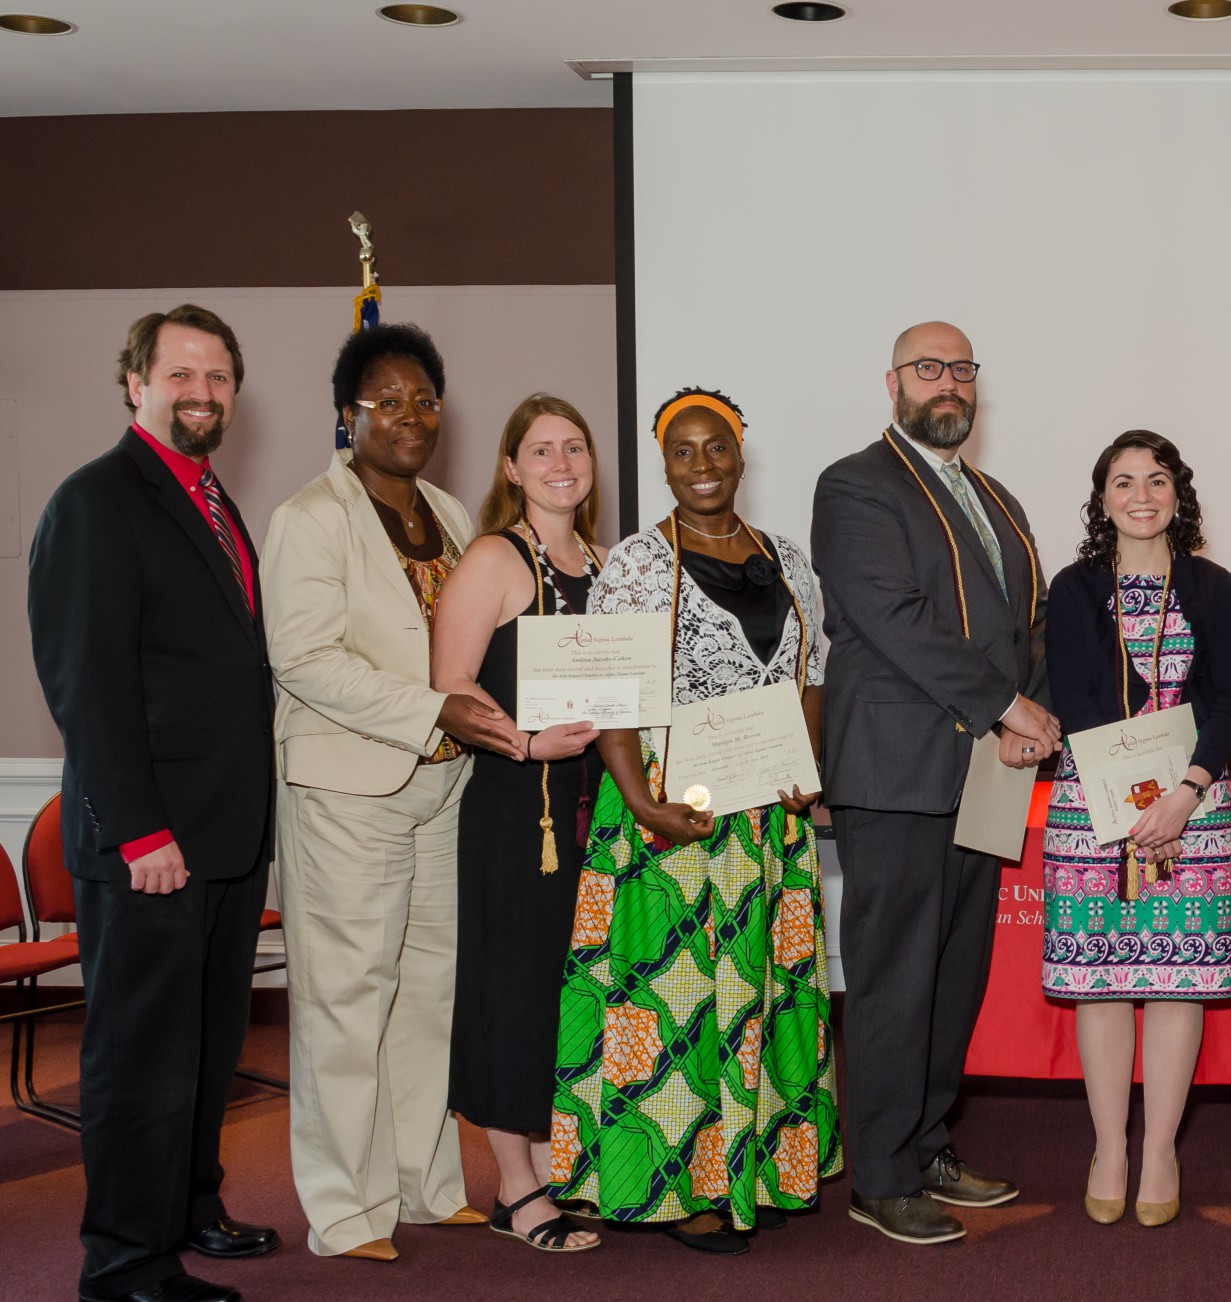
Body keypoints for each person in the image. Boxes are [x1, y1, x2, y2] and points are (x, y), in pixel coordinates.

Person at [550, 387, 841, 1254]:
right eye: (684, 452)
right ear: (663, 463)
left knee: (756, 995)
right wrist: (638, 799)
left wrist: (805, 767)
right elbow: (612, 691)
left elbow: (812, 672)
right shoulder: (638, 563)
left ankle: (758, 1171)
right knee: (672, 1007)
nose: (704, 464)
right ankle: (680, 1187)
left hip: (765, 825)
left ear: (741, 452)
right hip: (667, 814)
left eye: (718, 447)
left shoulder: (787, 557)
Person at [28, 305, 279, 1302]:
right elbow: (85, 681)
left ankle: (187, 1207)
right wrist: (140, 829)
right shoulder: (96, 501)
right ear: (135, 383)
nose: (202, 393)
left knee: (210, 1046)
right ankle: (126, 1262)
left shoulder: (211, 501)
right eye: (181, 374)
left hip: (222, 836)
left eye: (218, 377)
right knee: (141, 1058)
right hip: (153, 844)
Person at [262, 322, 518, 1261]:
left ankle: (422, 1185)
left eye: (425, 401)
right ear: (347, 415)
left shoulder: (453, 516)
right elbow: (303, 660)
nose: (410, 417)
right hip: (348, 789)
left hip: (443, 791)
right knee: (346, 1000)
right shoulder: (309, 518)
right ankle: (346, 1209)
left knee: (426, 995)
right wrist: (432, 710)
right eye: (388, 401)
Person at [812, 322, 1056, 1245]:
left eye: (960, 369)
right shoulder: (854, 485)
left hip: (986, 770)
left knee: (956, 973)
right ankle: (878, 1173)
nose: (946, 383)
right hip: (898, 768)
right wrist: (1008, 706)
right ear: (892, 383)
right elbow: (893, 618)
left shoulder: (995, 497)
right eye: (928, 368)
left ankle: (924, 1141)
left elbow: (1022, 625)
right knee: (893, 976)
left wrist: (1031, 710)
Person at [1041, 431, 1231, 1229]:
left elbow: (1226, 698)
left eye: (1154, 479)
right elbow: (1077, 698)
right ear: (1101, 499)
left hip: (1193, 808)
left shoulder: (1210, 583)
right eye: (1122, 481)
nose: (1139, 495)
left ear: (1177, 492)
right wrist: (1133, 808)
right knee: (1101, 987)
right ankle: (1109, 1147)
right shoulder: (1072, 586)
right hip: (1093, 809)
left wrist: (1183, 794)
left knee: (1173, 981)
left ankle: (1159, 1148)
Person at [431, 394, 609, 1253]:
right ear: (510, 469)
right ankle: (514, 1188)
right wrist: (526, 742)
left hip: (596, 811)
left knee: (569, 989)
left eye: (573, 447)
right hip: (517, 808)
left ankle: (558, 1168)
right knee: (513, 990)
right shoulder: (494, 561)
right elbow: (450, 690)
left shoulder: (609, 563)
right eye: (540, 451)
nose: (561, 463)